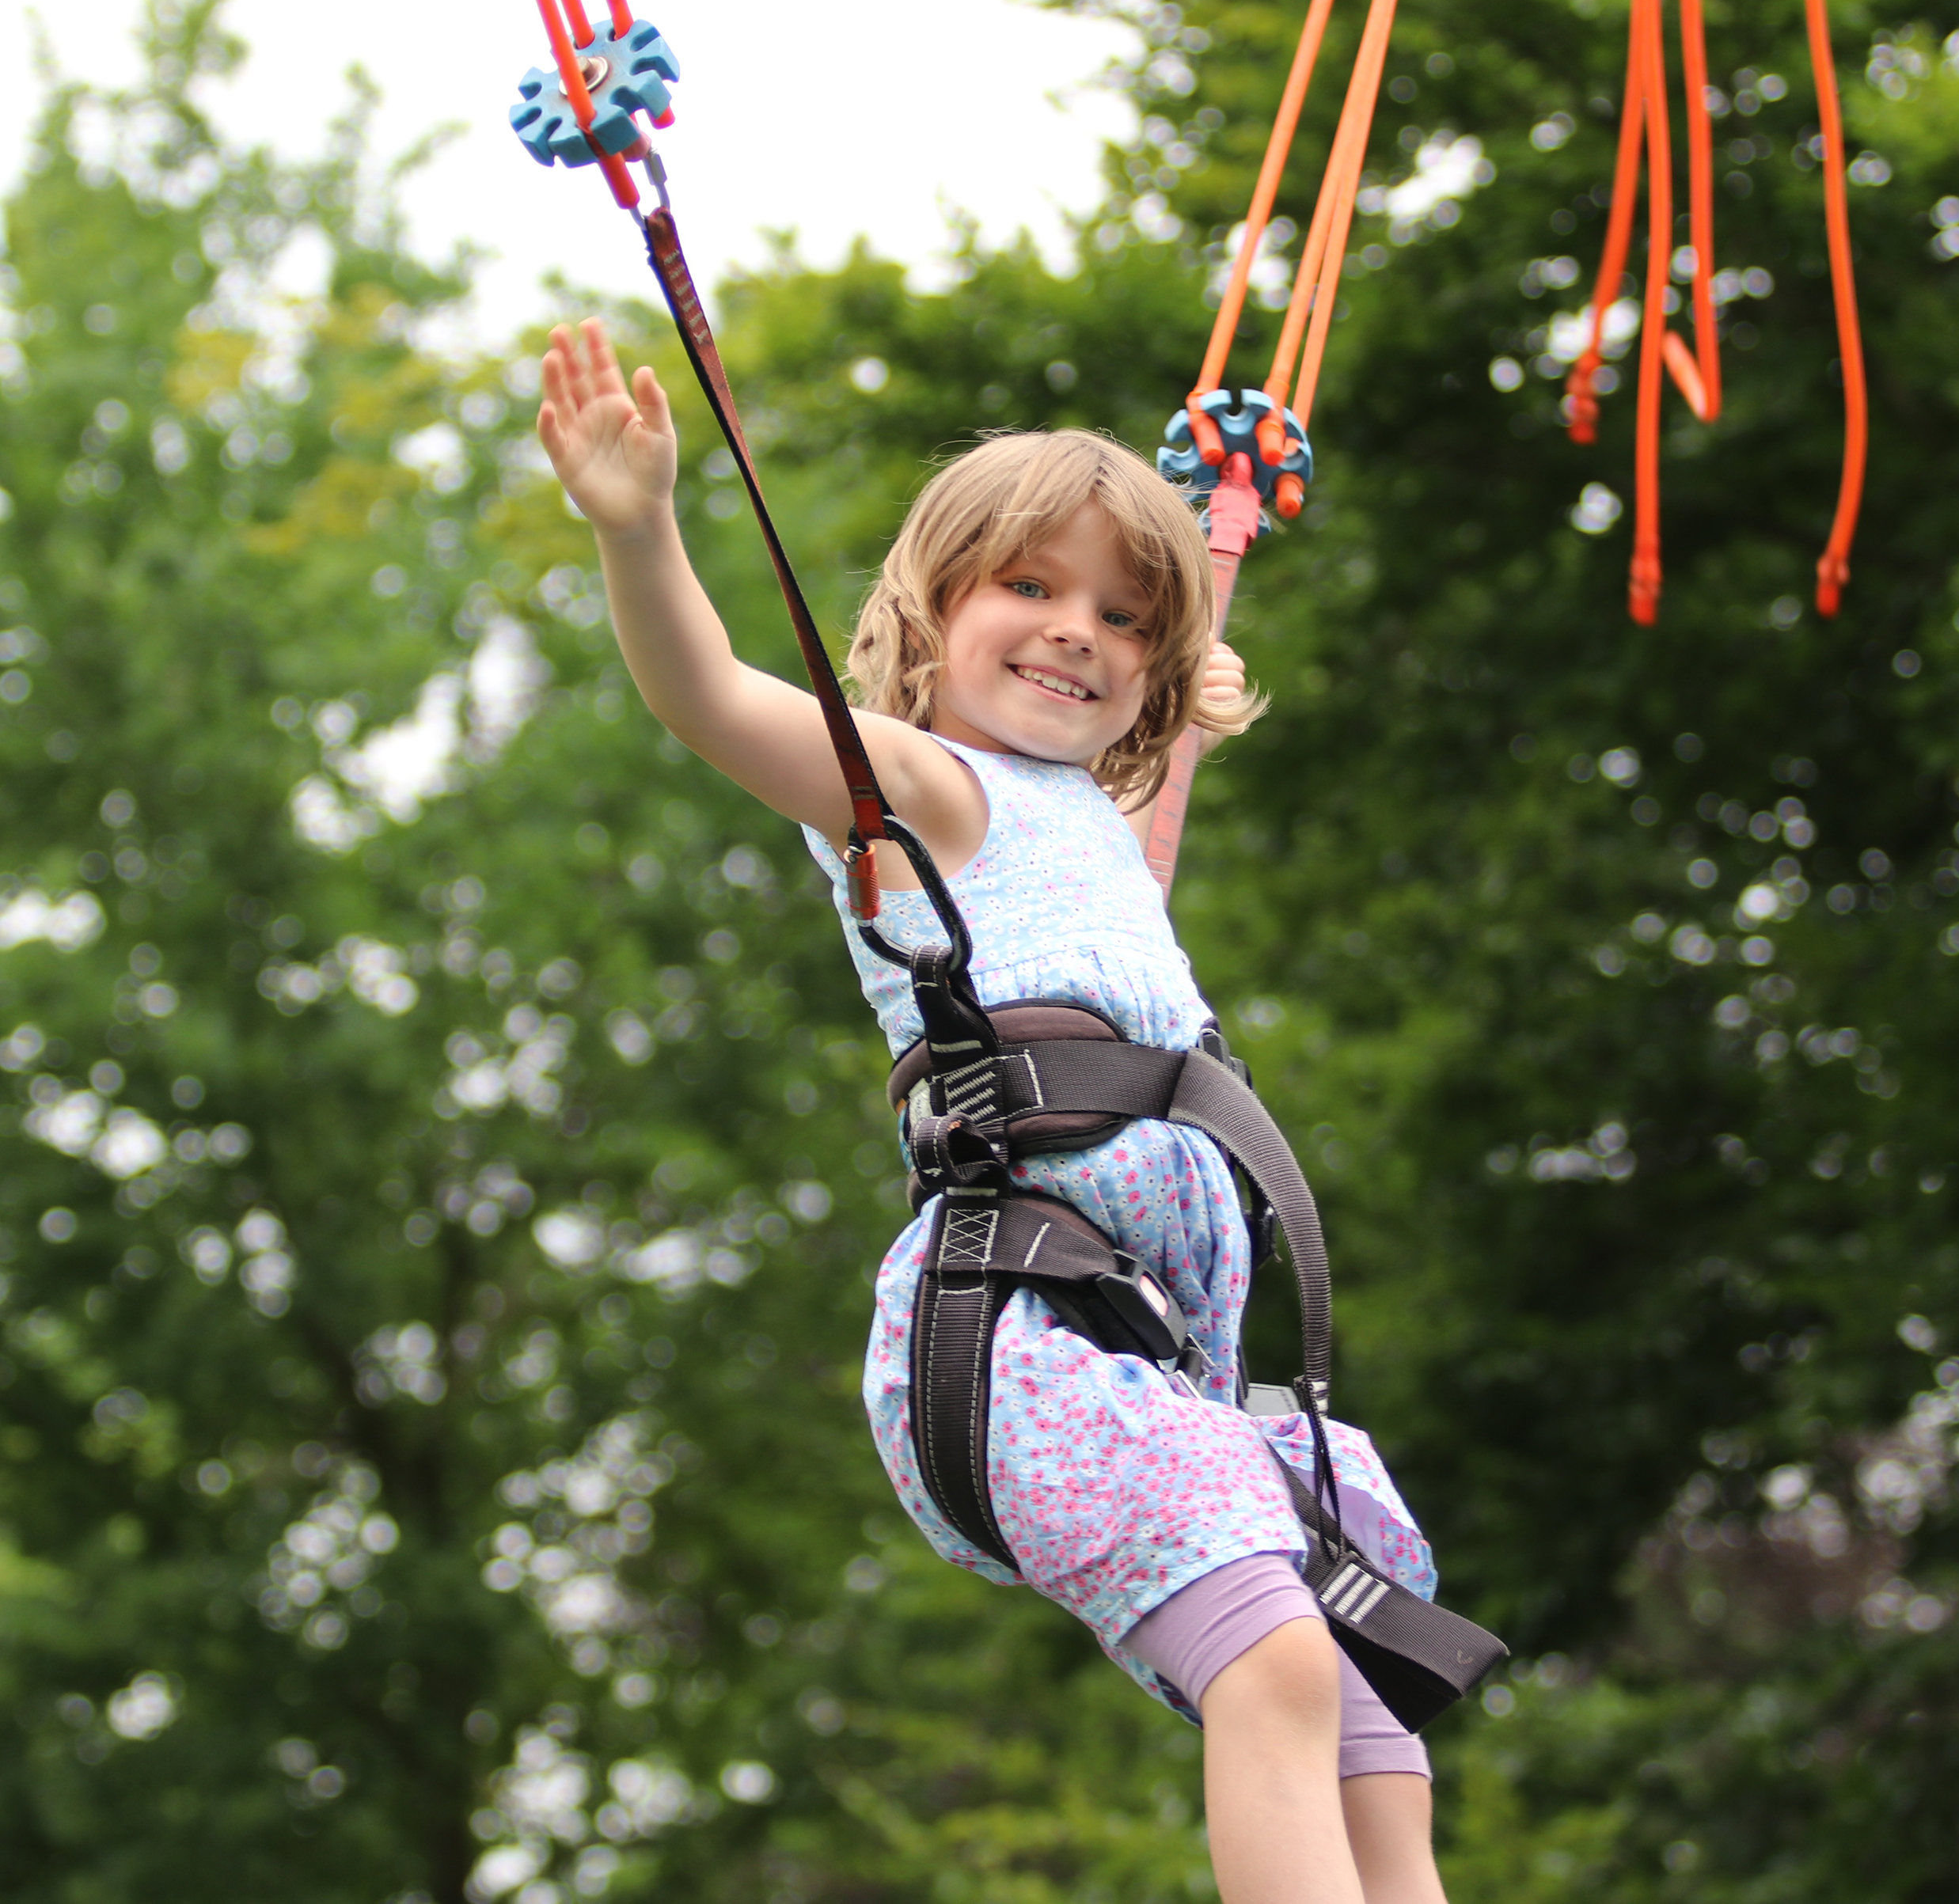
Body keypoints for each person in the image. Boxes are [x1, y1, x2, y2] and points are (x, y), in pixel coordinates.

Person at [537, 316, 1452, 1904]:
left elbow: (1166, 737)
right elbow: (715, 700)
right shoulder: (931, 794)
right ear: (931, 613)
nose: (1073, 632)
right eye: (1028, 588)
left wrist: (1203, 563)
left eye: (1118, 614)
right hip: (1019, 1336)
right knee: (1284, 1672)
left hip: (1167, 1365)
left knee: (1375, 1724)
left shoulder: (1103, 828)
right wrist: (640, 529)